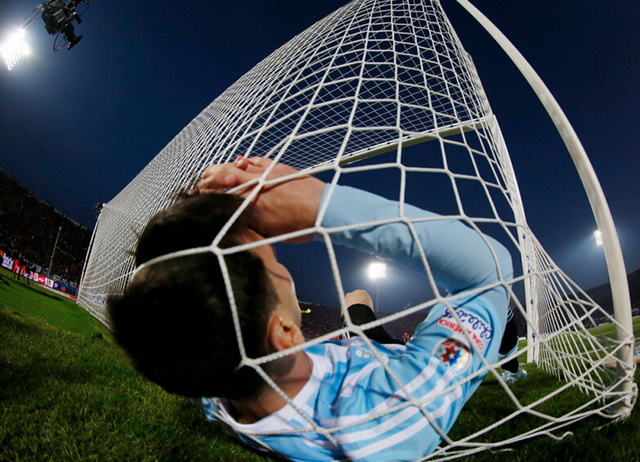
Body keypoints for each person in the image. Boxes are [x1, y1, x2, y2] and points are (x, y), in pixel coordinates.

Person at [108, 156, 514, 461]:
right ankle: (508, 356)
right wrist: (320, 205)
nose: (281, 261)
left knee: (357, 300)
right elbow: (490, 270)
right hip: (393, 357)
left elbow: (173, 306)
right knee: (495, 306)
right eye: (274, 259)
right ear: (284, 331)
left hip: (350, 348)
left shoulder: (212, 383)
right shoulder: (377, 420)